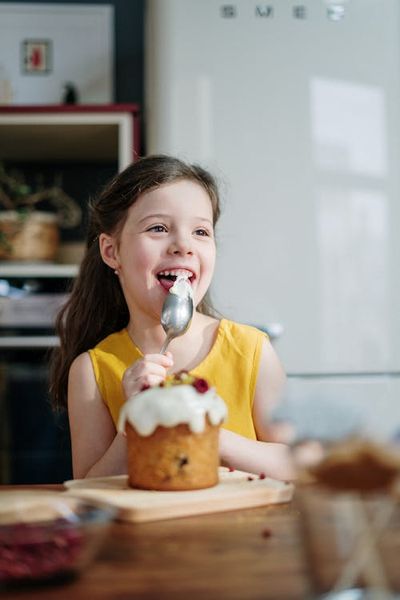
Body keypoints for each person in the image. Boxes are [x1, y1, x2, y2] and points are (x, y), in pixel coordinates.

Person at [50, 155, 294, 481]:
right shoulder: (92, 371)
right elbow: (88, 490)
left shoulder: (252, 351)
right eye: (159, 228)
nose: (183, 245)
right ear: (112, 252)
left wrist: (204, 431)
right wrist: (136, 422)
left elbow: (297, 464)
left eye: (201, 232)